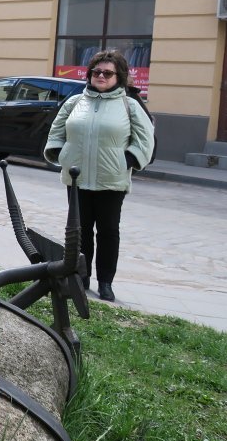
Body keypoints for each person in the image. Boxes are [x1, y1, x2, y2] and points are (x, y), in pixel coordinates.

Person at [44, 50, 154, 302]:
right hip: (77, 178)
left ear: (119, 76)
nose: (101, 76)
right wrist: (63, 155)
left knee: (108, 231)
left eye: (107, 72)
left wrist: (125, 162)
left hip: (111, 181)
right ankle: (80, 278)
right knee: (79, 231)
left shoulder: (130, 105)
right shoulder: (75, 102)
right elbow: (56, 132)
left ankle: (106, 282)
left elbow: (144, 141)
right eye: (96, 71)